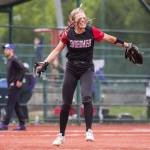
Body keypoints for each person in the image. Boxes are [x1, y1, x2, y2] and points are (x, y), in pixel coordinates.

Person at [35, 6, 135, 146]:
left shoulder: (91, 31)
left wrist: (126, 45)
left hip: (86, 68)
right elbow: (57, 50)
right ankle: (61, 135)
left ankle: (89, 130)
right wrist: (45, 62)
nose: (83, 20)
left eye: (84, 18)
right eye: (80, 18)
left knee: (87, 97)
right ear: (73, 21)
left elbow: (109, 38)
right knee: (65, 104)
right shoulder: (67, 34)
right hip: (71, 68)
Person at [0, 43, 26, 131]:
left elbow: (23, 69)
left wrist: (19, 80)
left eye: (6, 49)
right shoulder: (10, 60)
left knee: (9, 105)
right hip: (12, 86)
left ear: (11, 50)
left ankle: (4, 124)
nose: (5, 50)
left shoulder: (14, 59)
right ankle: (22, 124)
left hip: (14, 86)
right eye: (5, 49)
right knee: (16, 106)